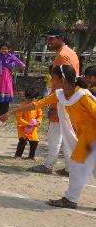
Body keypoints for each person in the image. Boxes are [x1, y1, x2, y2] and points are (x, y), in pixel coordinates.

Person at [0, 65, 96, 209]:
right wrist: (12, 112)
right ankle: (71, 199)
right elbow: (37, 105)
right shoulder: (61, 95)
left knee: (76, 165)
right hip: (85, 136)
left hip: (92, 137)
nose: (51, 81)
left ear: (62, 79)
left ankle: (70, 199)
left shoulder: (83, 96)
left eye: (53, 78)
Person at [28, 28, 80, 175]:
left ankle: (48, 165)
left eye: (51, 39)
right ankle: (69, 168)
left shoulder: (63, 55)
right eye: (48, 39)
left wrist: (54, 104)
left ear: (60, 38)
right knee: (66, 135)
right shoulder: (71, 52)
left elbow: (61, 82)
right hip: (69, 99)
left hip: (61, 99)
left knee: (55, 135)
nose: (49, 42)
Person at [0, 42, 24, 115]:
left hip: (6, 80)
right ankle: (0, 117)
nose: (4, 50)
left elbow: (22, 65)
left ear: (9, 50)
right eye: (2, 49)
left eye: (6, 49)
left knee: (6, 100)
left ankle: (4, 118)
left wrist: (13, 70)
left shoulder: (11, 57)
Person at [14, 87, 43, 160]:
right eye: (28, 99)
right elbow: (19, 118)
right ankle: (18, 155)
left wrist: (38, 122)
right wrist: (26, 124)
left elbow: (40, 116)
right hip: (22, 128)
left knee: (35, 141)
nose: (29, 101)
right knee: (22, 141)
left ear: (36, 98)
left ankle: (31, 156)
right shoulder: (22, 106)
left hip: (33, 128)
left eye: (31, 99)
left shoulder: (37, 106)